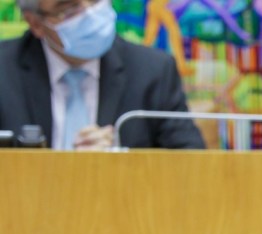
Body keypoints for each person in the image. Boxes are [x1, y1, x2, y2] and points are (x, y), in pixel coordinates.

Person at [0, 0, 204, 150]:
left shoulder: (154, 70)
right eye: (69, 8)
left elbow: (190, 162)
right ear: (35, 23)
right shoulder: (5, 70)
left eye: (96, 1)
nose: (89, 13)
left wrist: (119, 159)